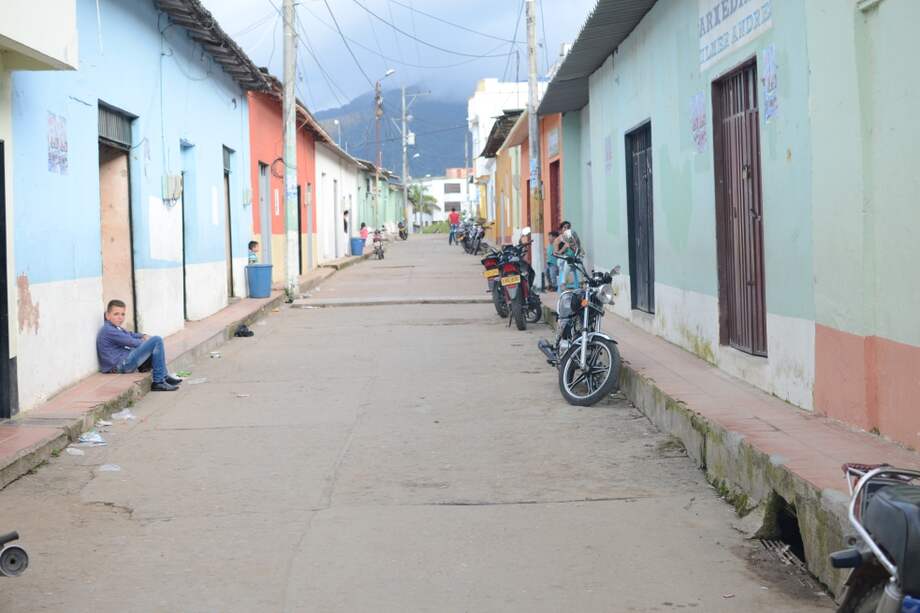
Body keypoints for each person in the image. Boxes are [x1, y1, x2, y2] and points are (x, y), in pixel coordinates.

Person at [96, 300, 181, 391]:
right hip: (120, 365)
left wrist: (143, 336)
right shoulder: (108, 330)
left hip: (124, 360)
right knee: (156, 340)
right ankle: (158, 382)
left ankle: (163, 376)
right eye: (116, 314)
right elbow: (131, 341)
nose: (120, 318)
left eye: (123, 314)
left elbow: (130, 334)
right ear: (107, 316)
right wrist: (148, 343)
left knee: (154, 344)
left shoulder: (114, 327)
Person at [553, 221, 582, 290]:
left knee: (571, 262)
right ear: (561, 229)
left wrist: (573, 247)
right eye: (564, 227)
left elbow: (578, 250)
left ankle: (565, 283)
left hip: (572, 258)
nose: (566, 229)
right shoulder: (557, 240)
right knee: (565, 262)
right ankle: (563, 283)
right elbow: (556, 253)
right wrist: (564, 248)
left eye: (568, 227)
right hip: (561, 259)